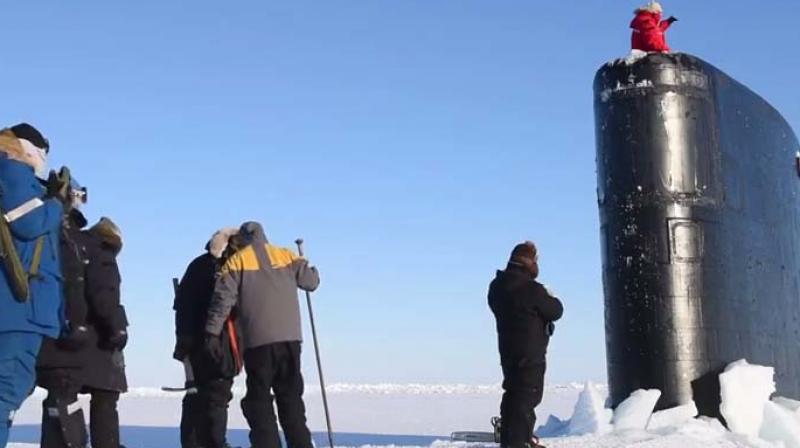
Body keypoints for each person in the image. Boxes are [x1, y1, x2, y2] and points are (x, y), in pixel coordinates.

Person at [205, 222, 320, 448]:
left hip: (258, 342)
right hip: (291, 340)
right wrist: (309, 267)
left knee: (259, 400)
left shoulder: (237, 261)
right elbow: (311, 283)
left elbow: (222, 300)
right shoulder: (286, 255)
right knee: (291, 398)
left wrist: (211, 331)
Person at [0, 123, 67, 448]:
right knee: (6, 390)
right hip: (18, 309)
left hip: (19, 310)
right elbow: (30, 223)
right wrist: (56, 203)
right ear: (28, 147)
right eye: (42, 151)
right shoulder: (12, 171)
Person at [488, 242, 563, 448]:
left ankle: (515, 439)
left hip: (508, 350)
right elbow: (556, 310)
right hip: (530, 352)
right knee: (527, 396)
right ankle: (518, 442)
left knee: (513, 393)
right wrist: (548, 295)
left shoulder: (497, 286)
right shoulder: (531, 289)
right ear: (529, 262)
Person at [173, 228, 243, 448]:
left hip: (194, 343)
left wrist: (183, 344)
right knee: (217, 397)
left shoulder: (197, 266)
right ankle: (216, 444)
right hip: (220, 344)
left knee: (197, 397)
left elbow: (182, 306)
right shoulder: (229, 268)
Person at [37, 181, 93, 448]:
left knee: (57, 401)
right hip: (62, 330)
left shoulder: (57, 232)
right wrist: (78, 322)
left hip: (52, 327)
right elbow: (73, 283)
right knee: (63, 397)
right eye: (78, 196)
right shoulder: (63, 236)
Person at [79, 217, 128, 448]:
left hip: (74, 338)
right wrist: (118, 328)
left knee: (64, 398)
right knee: (106, 399)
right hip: (98, 340)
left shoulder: (78, 249)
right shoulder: (103, 256)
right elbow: (104, 296)